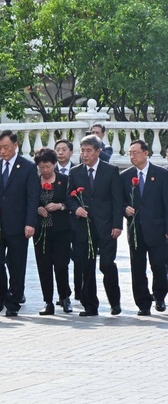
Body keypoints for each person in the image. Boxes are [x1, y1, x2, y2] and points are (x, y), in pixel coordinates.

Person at [0, 130, 38, 316]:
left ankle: (14, 301)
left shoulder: (27, 167)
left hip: (18, 225)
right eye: (0, 148)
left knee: (17, 265)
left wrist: (30, 223)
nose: (2, 151)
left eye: (6, 148)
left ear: (15, 146)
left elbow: (32, 197)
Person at [66, 135, 124, 316]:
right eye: (82, 151)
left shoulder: (111, 170)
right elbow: (69, 197)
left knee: (107, 265)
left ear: (98, 151)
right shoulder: (75, 172)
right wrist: (76, 209)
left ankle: (115, 302)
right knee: (86, 267)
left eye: (88, 151)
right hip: (83, 227)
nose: (85, 154)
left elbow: (117, 200)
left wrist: (117, 224)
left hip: (106, 227)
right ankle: (90, 305)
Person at [120, 140, 168, 315]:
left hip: (157, 229)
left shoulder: (162, 175)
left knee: (159, 265)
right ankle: (143, 304)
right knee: (137, 268)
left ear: (146, 153)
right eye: (130, 153)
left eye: (136, 153)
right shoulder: (125, 176)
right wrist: (125, 209)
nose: (132, 156)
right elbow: (119, 201)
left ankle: (160, 296)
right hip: (135, 229)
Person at [32, 148, 73, 315]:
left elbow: (72, 201)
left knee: (61, 265)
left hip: (61, 230)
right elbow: (27, 201)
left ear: (54, 164)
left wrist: (59, 206)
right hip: (41, 231)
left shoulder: (65, 180)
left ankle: (65, 296)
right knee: (44, 266)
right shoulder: (33, 181)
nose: (45, 170)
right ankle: (48, 301)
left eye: (48, 166)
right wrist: (36, 209)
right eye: (41, 167)